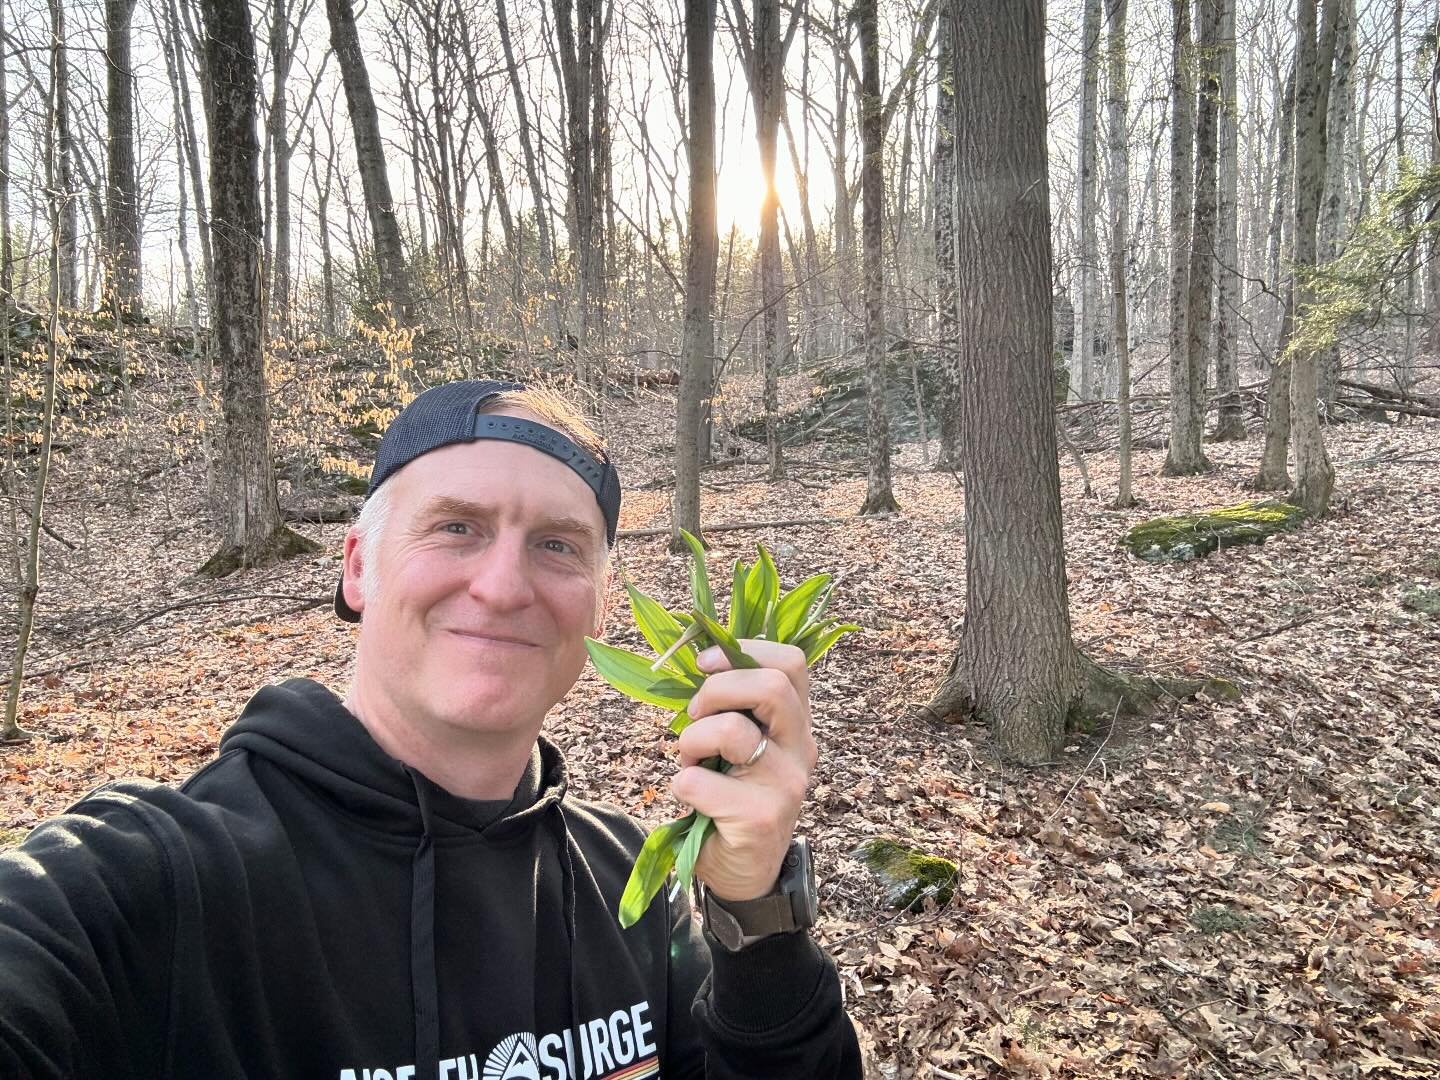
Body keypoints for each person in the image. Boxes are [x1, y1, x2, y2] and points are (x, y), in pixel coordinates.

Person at [0, 379, 862, 1079]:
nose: (502, 586)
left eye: (559, 546)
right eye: (457, 527)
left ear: (600, 605)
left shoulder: (636, 896)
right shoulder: (156, 882)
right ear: (357, 568)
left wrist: (755, 914)